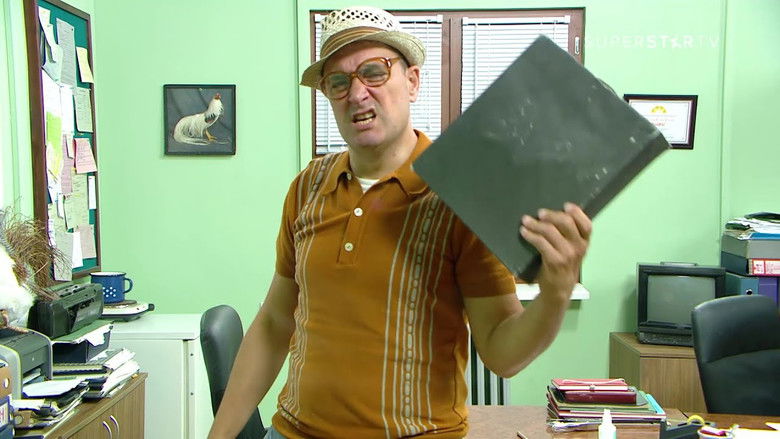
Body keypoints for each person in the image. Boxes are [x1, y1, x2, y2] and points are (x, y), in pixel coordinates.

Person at [208, 6, 591, 439]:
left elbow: (502, 353)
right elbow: (275, 324)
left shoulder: (459, 197)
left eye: (374, 71)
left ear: (412, 81)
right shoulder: (307, 188)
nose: (357, 94)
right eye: (338, 82)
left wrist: (556, 293)